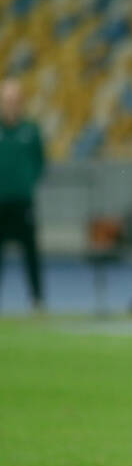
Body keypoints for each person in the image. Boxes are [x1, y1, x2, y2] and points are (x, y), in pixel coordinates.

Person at [0, 78, 46, 312]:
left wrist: (27, 181)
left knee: (31, 253)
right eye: (7, 99)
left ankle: (37, 299)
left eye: (15, 99)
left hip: (23, 201)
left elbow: (40, 161)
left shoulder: (31, 130)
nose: (11, 104)